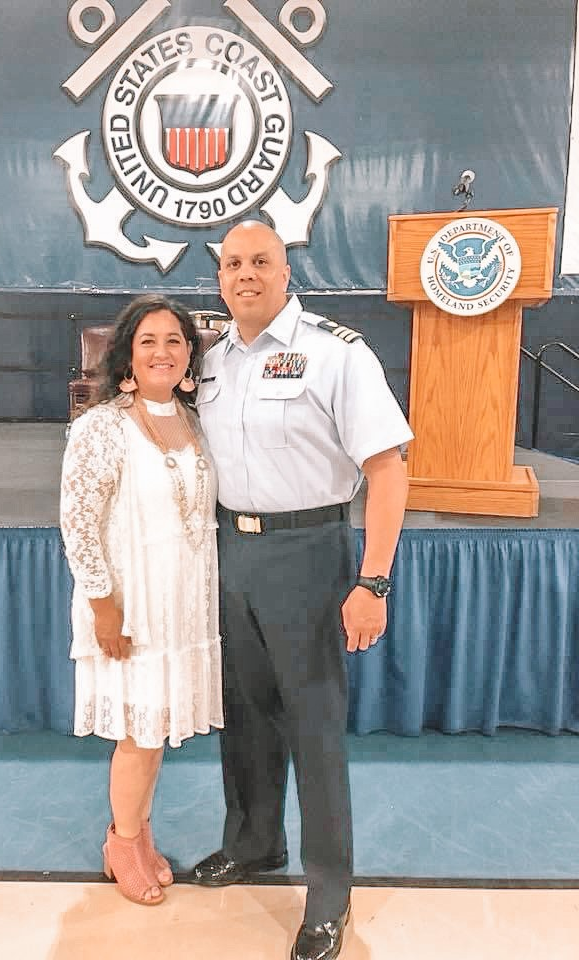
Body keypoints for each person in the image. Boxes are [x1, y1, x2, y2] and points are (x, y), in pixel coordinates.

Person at [192, 221, 413, 960]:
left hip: (311, 552)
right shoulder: (212, 358)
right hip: (232, 552)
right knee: (247, 716)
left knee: (314, 726)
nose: (245, 274)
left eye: (260, 261)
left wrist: (372, 580)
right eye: (232, 263)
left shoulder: (335, 353)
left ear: (287, 271)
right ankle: (254, 844)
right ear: (219, 276)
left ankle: (328, 895)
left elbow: (388, 469)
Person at [60, 294, 223, 906]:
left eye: (175, 341)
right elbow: (78, 522)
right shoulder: (101, 425)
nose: (163, 352)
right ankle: (121, 842)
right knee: (138, 732)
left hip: (181, 603)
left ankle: (139, 834)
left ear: (190, 354)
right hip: (130, 602)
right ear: (127, 351)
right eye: (149, 340)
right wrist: (104, 605)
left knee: (154, 730)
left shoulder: (195, 419)